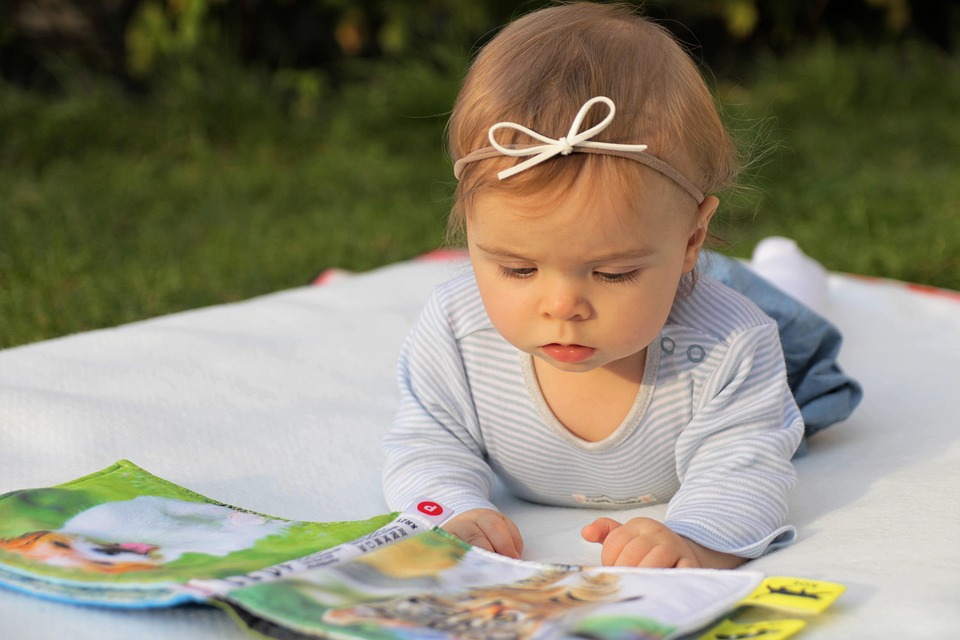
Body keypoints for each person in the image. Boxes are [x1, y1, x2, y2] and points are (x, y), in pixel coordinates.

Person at [382, 2, 857, 569]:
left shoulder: (733, 344)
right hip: (664, 289)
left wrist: (697, 539)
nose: (562, 306)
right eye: (517, 269)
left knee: (788, 323)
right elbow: (427, 439)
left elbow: (746, 465)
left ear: (690, 239)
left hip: (700, 314)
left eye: (612, 273)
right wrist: (448, 513)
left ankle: (791, 274)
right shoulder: (458, 331)